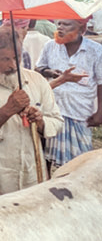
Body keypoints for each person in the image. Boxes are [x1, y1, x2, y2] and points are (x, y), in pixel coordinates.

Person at [0, 26, 63, 202]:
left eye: (16, 57)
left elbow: (56, 121)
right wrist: (7, 110)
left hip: (30, 177)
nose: (12, 64)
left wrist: (39, 121)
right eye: (5, 59)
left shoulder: (36, 81)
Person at [36, 19, 102, 168]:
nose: (60, 28)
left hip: (80, 112)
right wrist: (51, 73)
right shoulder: (50, 46)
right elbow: (39, 68)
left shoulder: (96, 50)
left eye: (66, 25)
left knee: (80, 163)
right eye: (59, 24)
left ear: (82, 28)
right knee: (47, 157)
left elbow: (101, 82)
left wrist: (100, 112)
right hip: (53, 110)